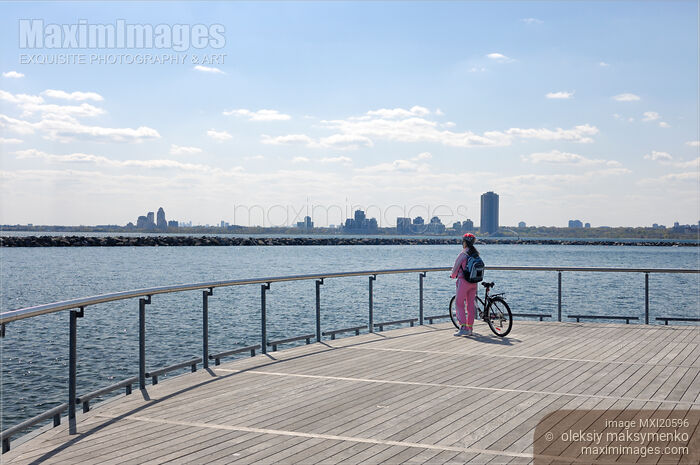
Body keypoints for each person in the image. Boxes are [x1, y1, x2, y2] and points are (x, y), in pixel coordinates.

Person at [450, 233, 479, 336]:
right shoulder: (475, 253)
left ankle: (463, 328)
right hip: (474, 282)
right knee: (470, 305)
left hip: (463, 282)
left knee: (459, 304)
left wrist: (453, 275)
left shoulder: (463, 254)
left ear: (465, 242)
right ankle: (470, 328)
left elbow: (455, 268)